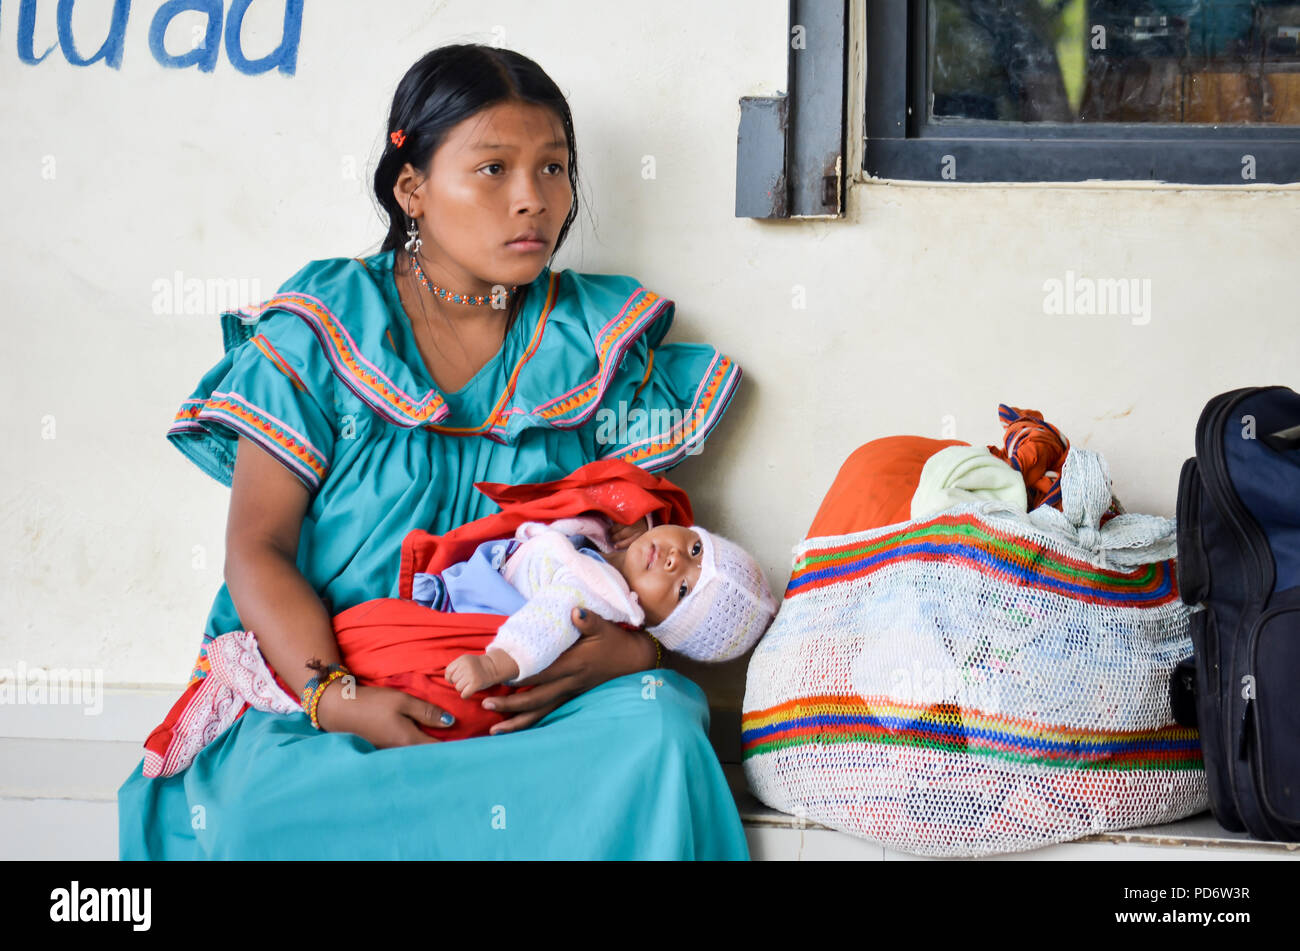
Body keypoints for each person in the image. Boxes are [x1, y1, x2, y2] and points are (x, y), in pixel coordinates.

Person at [117, 43, 749, 860]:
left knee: (660, 727)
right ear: (411, 187)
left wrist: (630, 646)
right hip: (339, 682)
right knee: (250, 813)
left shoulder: (595, 340)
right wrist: (333, 696)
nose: (533, 200)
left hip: (525, 695)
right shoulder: (320, 328)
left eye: (554, 169)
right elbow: (258, 548)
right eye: (493, 170)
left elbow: (645, 559)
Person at [443, 517, 778, 696]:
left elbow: (545, 624)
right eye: (695, 551)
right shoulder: (615, 550)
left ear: (656, 623)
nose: (675, 560)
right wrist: (641, 522)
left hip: (464, 598)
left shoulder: (597, 593)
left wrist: (492, 666)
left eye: (684, 589)